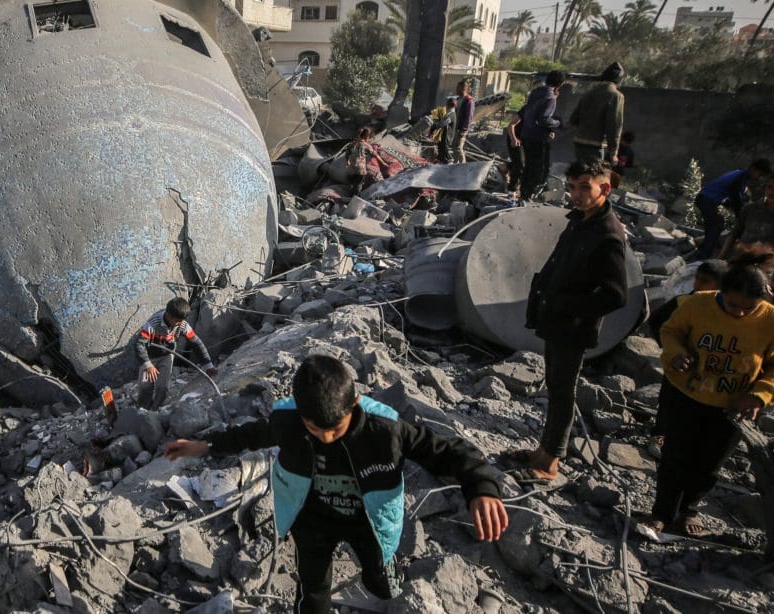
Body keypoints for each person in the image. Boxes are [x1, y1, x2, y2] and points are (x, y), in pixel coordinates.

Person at [163, 354, 508, 613]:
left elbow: (445, 451)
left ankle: (385, 591)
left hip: (369, 521)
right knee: (313, 589)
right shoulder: (288, 420)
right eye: (316, 430)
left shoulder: (385, 429)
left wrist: (480, 486)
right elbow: (252, 434)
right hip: (312, 517)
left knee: (382, 581)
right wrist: (206, 446)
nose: (326, 438)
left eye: (336, 429)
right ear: (301, 414)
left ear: (354, 403)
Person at [636, 259, 774, 541]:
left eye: (749, 308)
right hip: (687, 394)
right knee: (675, 456)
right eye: (734, 305)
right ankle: (662, 513)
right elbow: (670, 331)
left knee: (710, 463)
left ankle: (689, 509)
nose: (740, 313)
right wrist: (674, 352)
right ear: (722, 291)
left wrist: (759, 395)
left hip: (733, 406)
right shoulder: (699, 304)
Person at [505, 160, 629, 486]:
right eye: (572, 186)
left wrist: (569, 306)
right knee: (555, 386)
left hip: (572, 327)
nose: (576, 194)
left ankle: (551, 464)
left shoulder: (608, 234)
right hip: (556, 320)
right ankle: (542, 452)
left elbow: (616, 296)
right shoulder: (581, 221)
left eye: (585, 187)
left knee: (563, 393)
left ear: (605, 188)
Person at [644, 259, 728, 457]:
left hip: (708, 368)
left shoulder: (729, 309)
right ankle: (660, 434)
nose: (697, 284)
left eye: (705, 281)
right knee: (669, 397)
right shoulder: (685, 301)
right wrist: (670, 349)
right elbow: (656, 320)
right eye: (697, 278)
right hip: (680, 364)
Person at [720, 170, 774, 302]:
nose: (771, 191)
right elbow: (734, 235)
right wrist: (721, 259)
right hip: (736, 264)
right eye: (769, 186)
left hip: (763, 273)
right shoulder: (750, 209)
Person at [132, 297, 217, 409]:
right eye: (177, 321)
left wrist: (208, 365)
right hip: (149, 357)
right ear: (168, 315)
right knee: (145, 387)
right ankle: (142, 409)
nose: (179, 324)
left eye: (182, 321)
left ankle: (156, 409)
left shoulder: (182, 325)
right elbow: (139, 344)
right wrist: (147, 365)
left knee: (163, 387)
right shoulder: (153, 323)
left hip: (167, 356)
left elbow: (196, 343)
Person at [693, 158, 773, 260]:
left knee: (717, 224)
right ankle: (703, 256)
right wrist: (741, 217)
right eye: (760, 174)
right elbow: (735, 198)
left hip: (707, 199)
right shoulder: (740, 177)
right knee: (716, 226)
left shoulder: (740, 174)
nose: (759, 178)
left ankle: (704, 251)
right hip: (706, 200)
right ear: (753, 169)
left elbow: (730, 196)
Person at [513, 70, 567, 201]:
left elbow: (532, 114)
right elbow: (543, 119)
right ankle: (528, 195)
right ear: (560, 84)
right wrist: (557, 123)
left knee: (529, 166)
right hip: (538, 138)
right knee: (538, 169)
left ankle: (524, 193)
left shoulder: (535, 93)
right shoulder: (550, 98)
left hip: (526, 134)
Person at [568, 62, 626, 163]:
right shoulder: (616, 96)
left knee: (579, 174)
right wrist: (613, 152)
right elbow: (614, 125)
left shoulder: (589, 93)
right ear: (619, 80)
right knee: (593, 176)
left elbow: (573, 119)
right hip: (595, 145)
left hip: (579, 142)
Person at [432, 97, 461, 163]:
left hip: (447, 137)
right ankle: (441, 161)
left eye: (446, 104)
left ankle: (449, 162)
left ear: (448, 105)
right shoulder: (449, 114)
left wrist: (436, 125)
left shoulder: (452, 115)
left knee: (445, 151)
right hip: (443, 136)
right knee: (441, 149)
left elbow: (444, 123)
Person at [454, 79, 476, 151]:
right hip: (455, 128)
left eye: (458, 88)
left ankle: (462, 162)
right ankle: (455, 162)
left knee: (458, 149)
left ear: (463, 88)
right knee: (454, 148)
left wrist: (464, 130)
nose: (456, 89)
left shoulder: (469, 100)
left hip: (461, 129)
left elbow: (469, 117)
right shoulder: (458, 99)